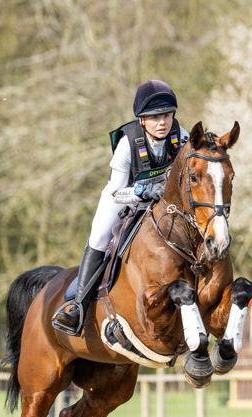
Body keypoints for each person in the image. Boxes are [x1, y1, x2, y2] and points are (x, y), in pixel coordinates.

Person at [52, 80, 189, 336]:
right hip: (124, 198)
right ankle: (77, 307)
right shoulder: (128, 144)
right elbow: (115, 192)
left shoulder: (181, 136)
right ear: (142, 120)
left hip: (163, 202)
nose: (163, 122)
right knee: (99, 237)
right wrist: (141, 192)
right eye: (155, 117)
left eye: (167, 116)